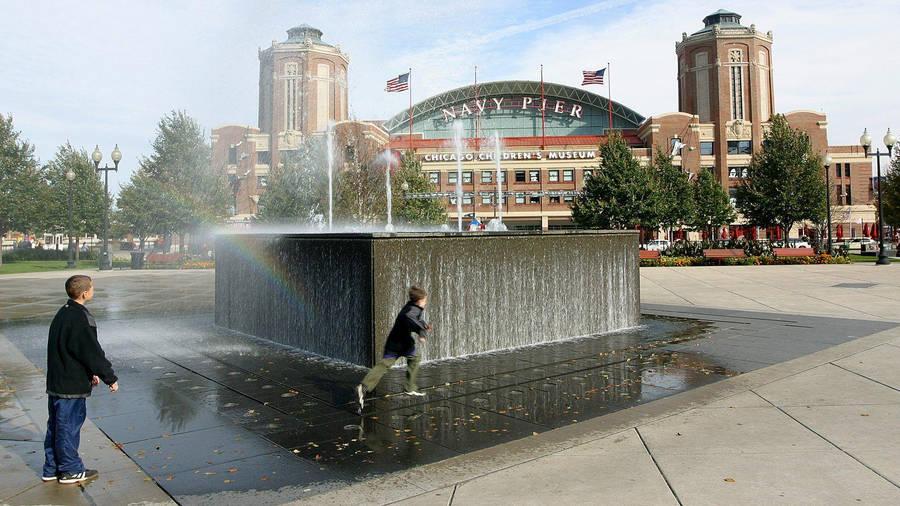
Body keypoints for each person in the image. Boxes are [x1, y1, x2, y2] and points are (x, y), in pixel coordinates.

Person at [43, 275, 118, 484]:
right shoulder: (81, 318)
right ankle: (70, 470)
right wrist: (108, 377)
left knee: (56, 427)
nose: (94, 290)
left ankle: (51, 468)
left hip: (57, 382)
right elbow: (91, 352)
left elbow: (71, 350)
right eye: (92, 287)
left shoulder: (63, 313)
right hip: (70, 385)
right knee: (68, 427)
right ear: (85, 293)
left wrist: (89, 372)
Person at [356, 286, 432, 411]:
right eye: (424, 300)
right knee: (415, 358)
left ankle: (364, 387)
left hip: (393, 341)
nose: (425, 302)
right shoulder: (412, 311)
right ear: (419, 301)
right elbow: (411, 319)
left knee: (384, 365)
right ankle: (410, 388)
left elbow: (415, 321)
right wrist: (422, 333)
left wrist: (423, 326)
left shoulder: (411, 306)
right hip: (402, 342)